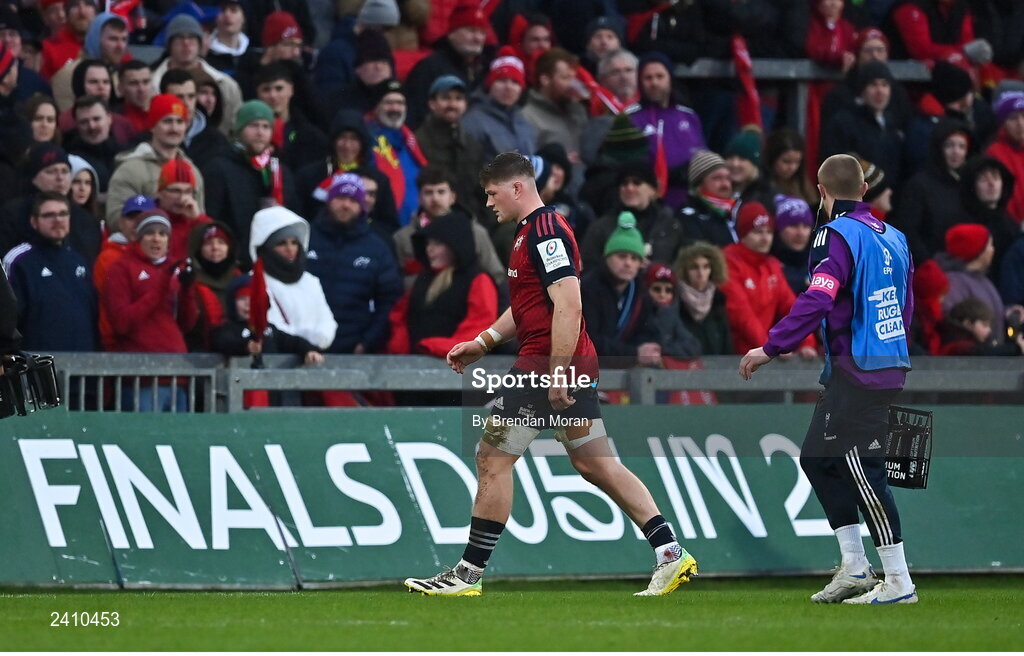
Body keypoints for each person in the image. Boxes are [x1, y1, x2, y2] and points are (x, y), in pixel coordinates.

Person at [404, 152, 698, 597]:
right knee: (594, 464)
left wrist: (557, 373)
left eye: (491, 193)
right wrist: (483, 342)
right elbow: (528, 307)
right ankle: (670, 552)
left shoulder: (544, 230)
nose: (488, 203)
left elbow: (569, 303)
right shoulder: (530, 232)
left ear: (517, 187)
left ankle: (466, 575)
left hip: (546, 364)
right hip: (563, 361)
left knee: (492, 458)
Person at [740, 153, 918, 605]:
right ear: (864, 190)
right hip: (882, 362)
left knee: (861, 471)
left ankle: (898, 581)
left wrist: (771, 346)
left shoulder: (833, 234)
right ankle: (856, 568)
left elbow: (818, 298)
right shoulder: (895, 237)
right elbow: (905, 306)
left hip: (858, 370)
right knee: (818, 459)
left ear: (821, 192)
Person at [102, 211, 199, 411]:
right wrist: (162, 286)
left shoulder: (174, 268)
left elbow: (187, 324)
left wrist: (187, 291)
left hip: (176, 374)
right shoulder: (121, 268)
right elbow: (122, 322)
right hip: (142, 377)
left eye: (163, 234)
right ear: (138, 237)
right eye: (150, 233)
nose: (156, 238)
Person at [305, 173, 401, 354]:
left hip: (353, 349)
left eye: (352, 200)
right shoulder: (304, 238)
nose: (345, 205)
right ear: (329, 200)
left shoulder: (377, 247)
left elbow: (390, 300)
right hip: (305, 346)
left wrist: (367, 342)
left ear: (362, 206)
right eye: (340, 198)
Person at [3, 191, 98, 352]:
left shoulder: (78, 260)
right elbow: (8, 318)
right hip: (36, 366)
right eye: (49, 215)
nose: (58, 219)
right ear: (34, 221)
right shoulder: (18, 260)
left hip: (81, 366)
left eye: (63, 214)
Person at [580, 212, 662, 366]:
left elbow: (649, 333)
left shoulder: (640, 291)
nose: (628, 263)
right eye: (622, 256)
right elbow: (587, 341)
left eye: (634, 258)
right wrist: (633, 354)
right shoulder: (587, 288)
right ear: (607, 257)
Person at [674, 242, 733, 355]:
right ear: (684, 270)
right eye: (694, 267)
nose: (701, 273)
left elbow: (726, 346)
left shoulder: (718, 301)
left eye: (706, 267)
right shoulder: (675, 301)